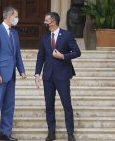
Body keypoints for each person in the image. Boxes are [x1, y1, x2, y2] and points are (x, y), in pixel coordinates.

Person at [35, 12, 81, 141]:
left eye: (46, 20)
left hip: (62, 75)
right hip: (48, 77)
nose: (44, 22)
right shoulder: (44, 38)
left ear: (53, 22)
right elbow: (40, 57)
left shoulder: (67, 35)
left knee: (67, 105)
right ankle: (51, 132)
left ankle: (70, 133)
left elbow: (77, 52)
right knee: (49, 105)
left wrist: (63, 56)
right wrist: (37, 74)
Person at [0, 6, 26, 141]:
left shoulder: (14, 33)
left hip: (11, 75)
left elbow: (17, 55)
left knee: (9, 105)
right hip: (0, 76)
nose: (17, 19)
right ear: (9, 16)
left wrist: (22, 70)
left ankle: (5, 133)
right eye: (16, 16)